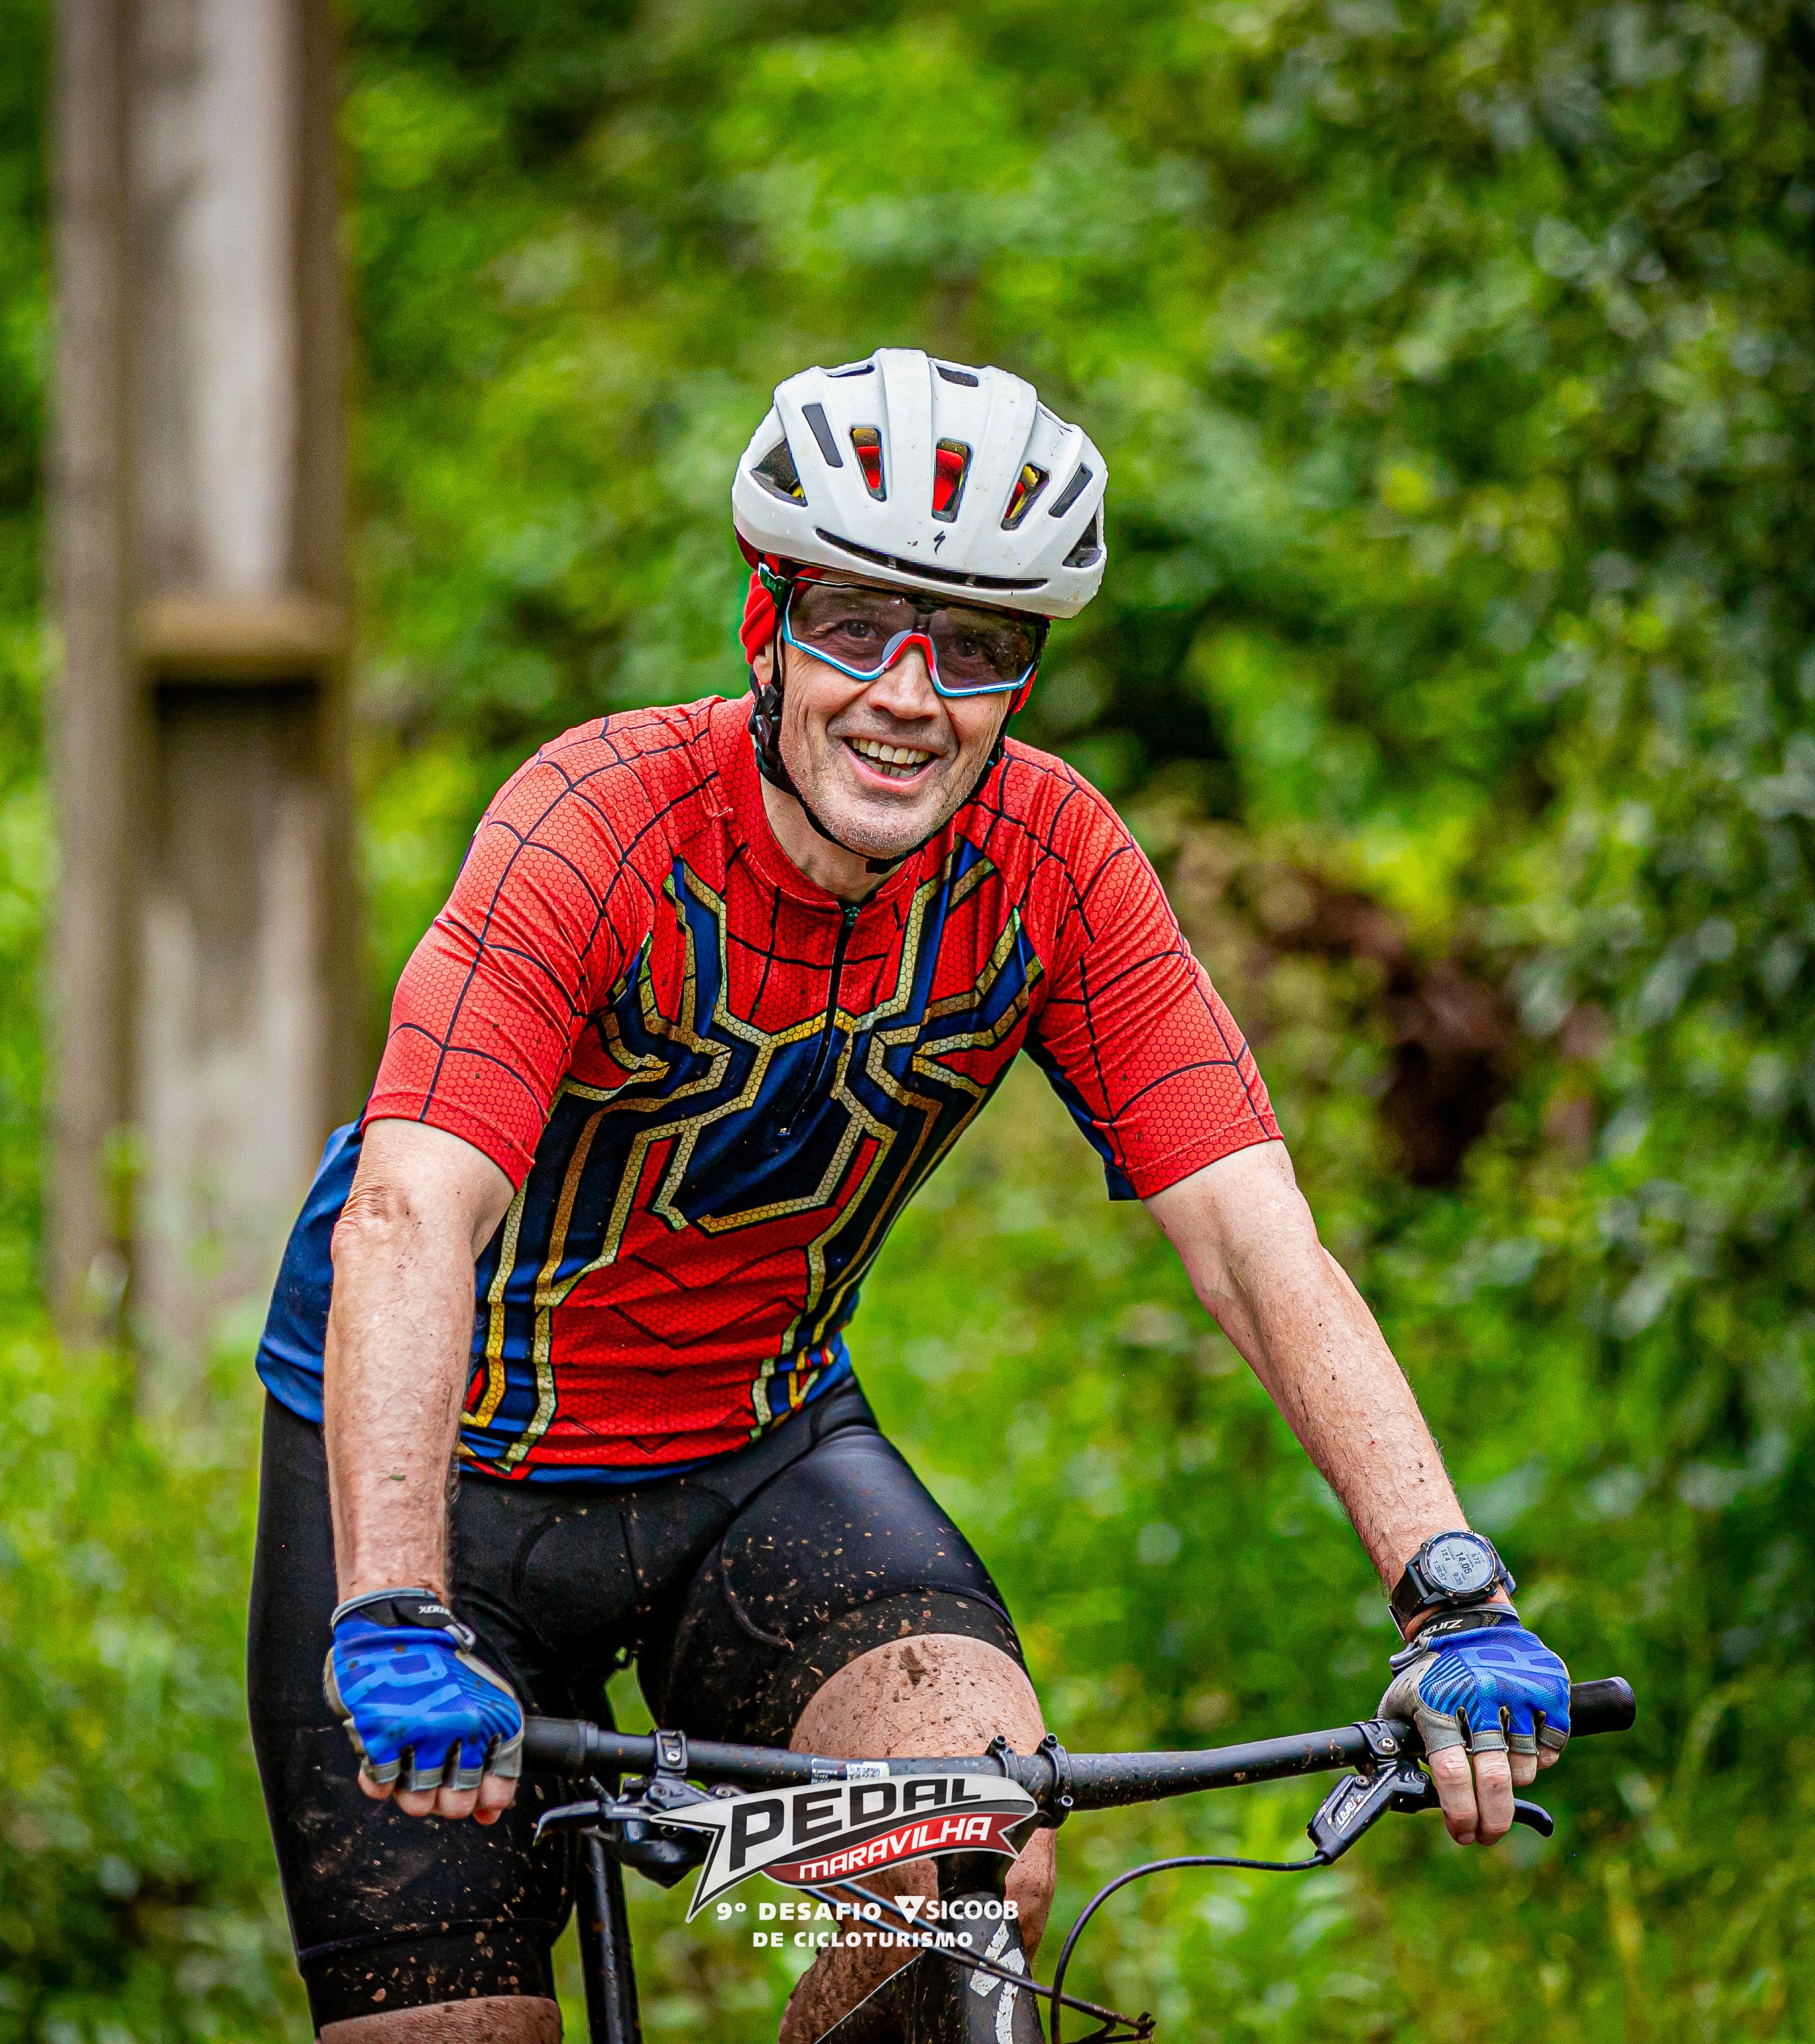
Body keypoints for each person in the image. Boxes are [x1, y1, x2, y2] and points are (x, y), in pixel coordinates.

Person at [244, 347, 1576, 2043]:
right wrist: (393, 1603)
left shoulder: (1053, 862)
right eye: (858, 623)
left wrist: (1451, 1590)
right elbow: (409, 1214)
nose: (907, 693)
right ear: (766, 624)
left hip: (754, 1455)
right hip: (437, 1477)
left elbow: (1256, 1239)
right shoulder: (597, 824)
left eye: (976, 646)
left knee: (973, 1862)